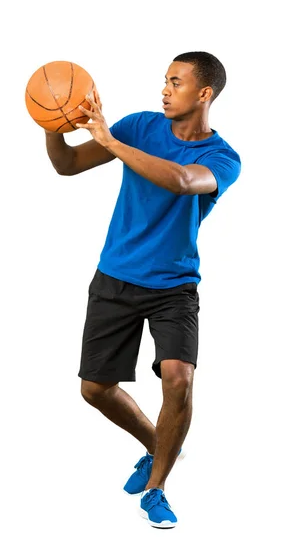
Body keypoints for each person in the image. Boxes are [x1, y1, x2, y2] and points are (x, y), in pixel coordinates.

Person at [44, 51, 241, 529]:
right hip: (115, 276)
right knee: (95, 389)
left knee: (178, 378)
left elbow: (180, 181)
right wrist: (52, 121)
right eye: (164, 81)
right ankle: (160, 447)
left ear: (204, 93)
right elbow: (67, 164)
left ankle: (157, 488)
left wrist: (110, 140)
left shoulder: (222, 157)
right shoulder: (139, 126)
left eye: (176, 82)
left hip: (174, 285)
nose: (165, 89)